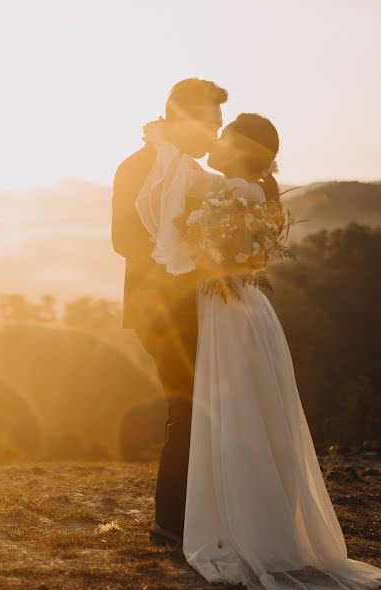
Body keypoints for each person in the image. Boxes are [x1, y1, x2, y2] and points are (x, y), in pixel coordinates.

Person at [134, 112, 381, 590]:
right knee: (245, 416)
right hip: (238, 308)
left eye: (224, 130)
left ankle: (239, 527)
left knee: (236, 416)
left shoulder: (233, 192)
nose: (215, 137)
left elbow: (176, 204)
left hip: (226, 309)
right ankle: (242, 520)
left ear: (237, 144)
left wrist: (164, 142)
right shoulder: (243, 190)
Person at [110, 78, 227, 546]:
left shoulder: (195, 172)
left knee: (207, 406)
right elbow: (124, 240)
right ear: (182, 118)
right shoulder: (136, 167)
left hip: (203, 306)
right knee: (189, 406)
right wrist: (189, 255)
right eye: (211, 124)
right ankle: (172, 524)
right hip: (158, 309)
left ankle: (194, 516)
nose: (215, 136)